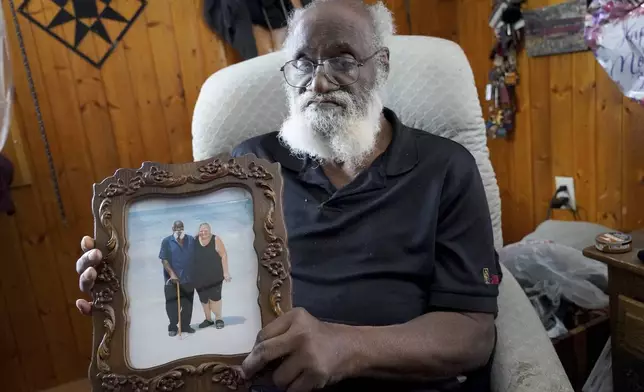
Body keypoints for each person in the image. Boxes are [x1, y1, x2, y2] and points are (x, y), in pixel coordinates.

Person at [76, 1, 503, 391]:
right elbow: (203, 271)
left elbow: (472, 334)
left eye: (343, 59)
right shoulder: (250, 168)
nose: (318, 82)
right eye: (302, 62)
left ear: (383, 65)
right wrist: (128, 290)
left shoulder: (446, 168)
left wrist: (343, 347)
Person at [158, 220, 197, 336]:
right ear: (172, 229)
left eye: (181, 228)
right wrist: (172, 274)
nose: (179, 230)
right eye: (176, 228)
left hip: (188, 278)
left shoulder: (190, 240)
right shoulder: (166, 241)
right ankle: (173, 326)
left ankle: (185, 326)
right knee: (172, 305)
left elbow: (197, 255)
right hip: (172, 280)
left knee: (188, 304)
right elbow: (164, 260)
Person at [194, 222, 231, 329]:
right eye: (201, 230)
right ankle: (208, 319)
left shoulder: (216, 239)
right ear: (198, 232)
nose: (203, 232)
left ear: (210, 231)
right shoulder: (194, 240)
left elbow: (223, 255)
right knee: (204, 299)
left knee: (215, 298)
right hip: (199, 277)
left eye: (206, 230)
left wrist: (226, 272)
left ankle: (219, 318)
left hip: (215, 276)